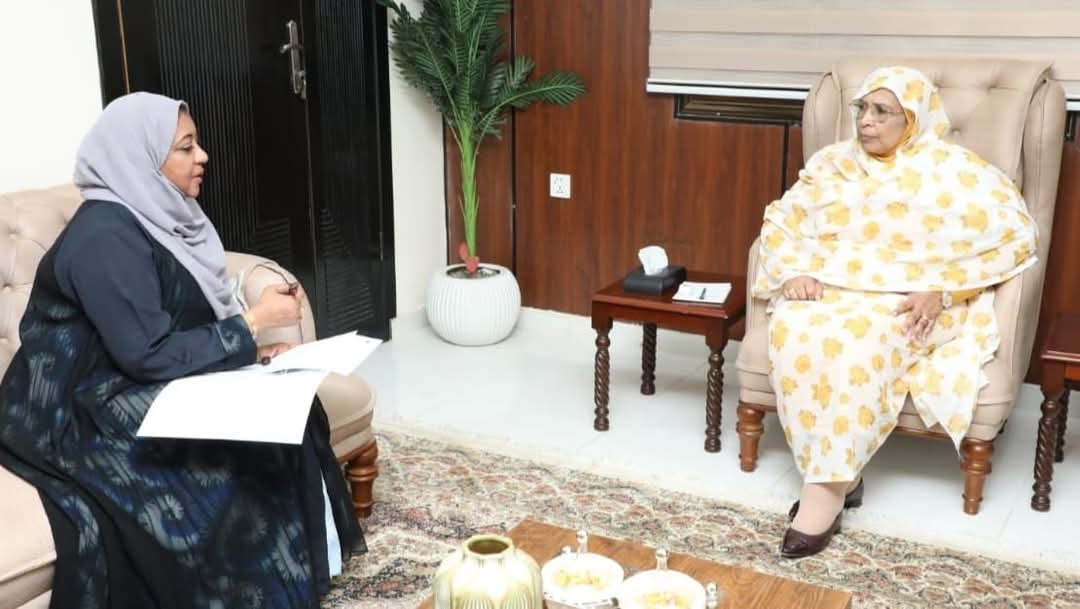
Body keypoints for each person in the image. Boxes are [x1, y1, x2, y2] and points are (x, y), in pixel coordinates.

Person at [0, 92, 364, 607]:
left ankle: (296, 576)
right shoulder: (104, 236)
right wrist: (252, 324)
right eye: (185, 147)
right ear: (142, 159)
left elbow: (172, 324)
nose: (203, 157)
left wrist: (253, 355)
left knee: (290, 409)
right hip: (75, 405)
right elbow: (146, 353)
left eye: (197, 144)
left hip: (129, 375)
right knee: (220, 463)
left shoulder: (158, 217)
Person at [752, 66, 1038, 558]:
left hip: (910, 299)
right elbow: (782, 221)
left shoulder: (955, 170)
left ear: (913, 118)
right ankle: (843, 477)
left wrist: (943, 291)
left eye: (882, 111)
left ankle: (823, 494)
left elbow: (1017, 237)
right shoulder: (832, 163)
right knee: (795, 330)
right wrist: (793, 270)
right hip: (832, 288)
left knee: (858, 345)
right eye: (862, 108)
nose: (866, 121)